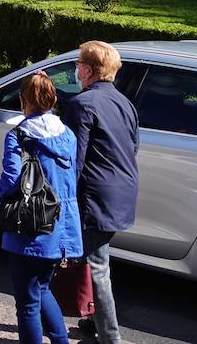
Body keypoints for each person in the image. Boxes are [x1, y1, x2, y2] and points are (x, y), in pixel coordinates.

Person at [63, 42, 138, 344]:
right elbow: (133, 146)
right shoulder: (124, 103)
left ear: (89, 70)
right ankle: (94, 321)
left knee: (96, 267)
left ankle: (111, 337)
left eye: (79, 63)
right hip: (121, 192)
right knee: (95, 259)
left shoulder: (82, 105)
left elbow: (74, 160)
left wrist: (63, 202)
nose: (76, 68)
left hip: (95, 196)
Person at [1, 71, 82, 344]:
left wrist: (0, 190)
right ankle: (61, 340)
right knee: (43, 287)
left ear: (24, 100)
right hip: (60, 225)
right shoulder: (68, 135)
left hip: (30, 225)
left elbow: (12, 181)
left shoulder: (19, 135)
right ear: (54, 98)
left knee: (26, 301)